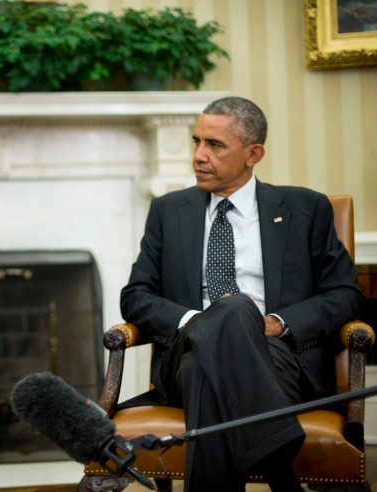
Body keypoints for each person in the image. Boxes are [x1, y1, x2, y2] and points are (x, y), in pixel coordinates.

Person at [119, 96, 363, 491]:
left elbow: (346, 294)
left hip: (276, 355)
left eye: (214, 145)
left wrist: (279, 323)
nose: (198, 156)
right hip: (185, 350)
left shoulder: (305, 208)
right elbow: (135, 296)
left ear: (253, 153)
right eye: (197, 141)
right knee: (230, 311)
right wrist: (199, 323)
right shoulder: (169, 211)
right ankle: (279, 464)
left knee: (211, 358)